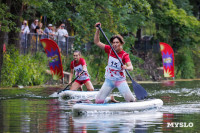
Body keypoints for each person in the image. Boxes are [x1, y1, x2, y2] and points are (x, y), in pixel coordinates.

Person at [94, 22, 136, 104]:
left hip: (120, 80)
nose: (115, 44)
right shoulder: (109, 49)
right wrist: (98, 30)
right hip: (109, 80)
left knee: (130, 101)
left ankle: (135, 102)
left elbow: (131, 67)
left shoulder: (124, 55)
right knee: (98, 101)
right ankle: (109, 99)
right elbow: (97, 42)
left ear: (121, 43)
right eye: (113, 42)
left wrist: (126, 67)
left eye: (117, 42)